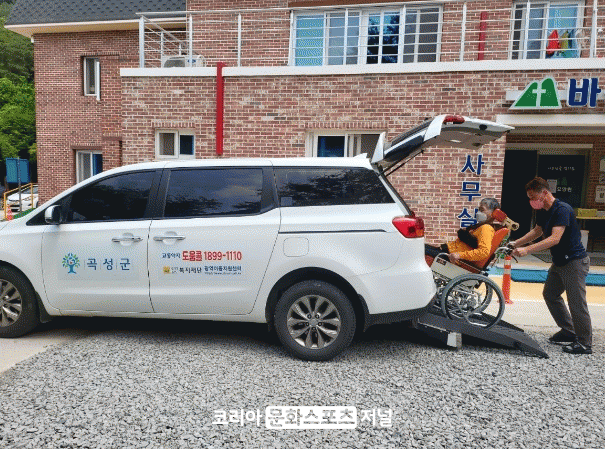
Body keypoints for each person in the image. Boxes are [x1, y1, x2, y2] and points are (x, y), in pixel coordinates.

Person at [509, 177, 592, 355]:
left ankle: (585, 343)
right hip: (559, 261)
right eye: (529, 198)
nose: (532, 201)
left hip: (574, 262)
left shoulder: (562, 209)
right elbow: (537, 231)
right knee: (550, 294)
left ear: (545, 193)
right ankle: (569, 331)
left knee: (576, 302)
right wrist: (515, 243)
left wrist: (527, 250)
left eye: (533, 197)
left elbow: (555, 238)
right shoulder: (544, 210)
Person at [425, 198, 500, 267]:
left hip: (449, 257)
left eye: (482, 209)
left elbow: (483, 252)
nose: (478, 212)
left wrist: (459, 255)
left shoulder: (486, 228)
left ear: (493, 213)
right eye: (479, 209)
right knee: (421, 247)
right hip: (445, 251)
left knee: (420, 251)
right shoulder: (480, 227)